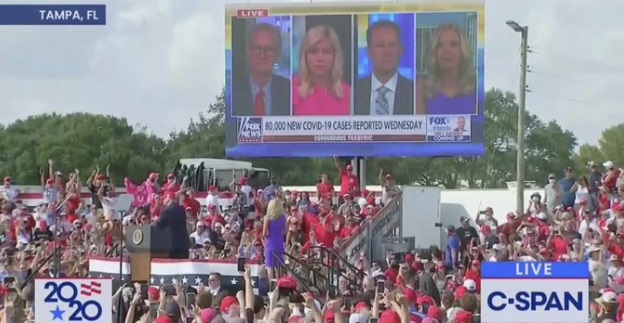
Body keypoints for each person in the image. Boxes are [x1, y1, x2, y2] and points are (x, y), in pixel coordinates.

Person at [353, 20, 414, 115]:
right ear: (368, 51)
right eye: (380, 46)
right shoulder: (353, 91)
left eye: (392, 45)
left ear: (401, 51)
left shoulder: (414, 93)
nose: (387, 52)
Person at [416, 23, 476, 115]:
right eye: (440, 45)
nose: (446, 50)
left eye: (453, 45)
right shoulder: (422, 89)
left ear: (463, 51)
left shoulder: (475, 87)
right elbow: (418, 127)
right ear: (434, 52)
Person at [232, 23, 290, 116]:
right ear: (248, 51)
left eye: (269, 49)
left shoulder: (289, 91)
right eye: (257, 48)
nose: (262, 55)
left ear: (278, 54)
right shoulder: (232, 93)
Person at [292, 24, 350, 116]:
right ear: (305, 56)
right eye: (314, 52)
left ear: (334, 56)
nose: (320, 58)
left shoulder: (347, 93)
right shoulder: (292, 90)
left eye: (326, 52)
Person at [155, 192, 190, 259]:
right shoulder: (181, 210)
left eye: (165, 198)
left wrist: (156, 222)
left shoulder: (166, 211)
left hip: (172, 245)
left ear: (169, 199)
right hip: (183, 244)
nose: (164, 200)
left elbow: (159, 226)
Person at [263, 197, 286, 282]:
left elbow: (264, 234)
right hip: (279, 243)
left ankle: (271, 289)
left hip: (270, 244)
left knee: (270, 267)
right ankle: (279, 287)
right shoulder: (283, 218)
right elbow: (285, 232)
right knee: (279, 267)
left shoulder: (267, 218)